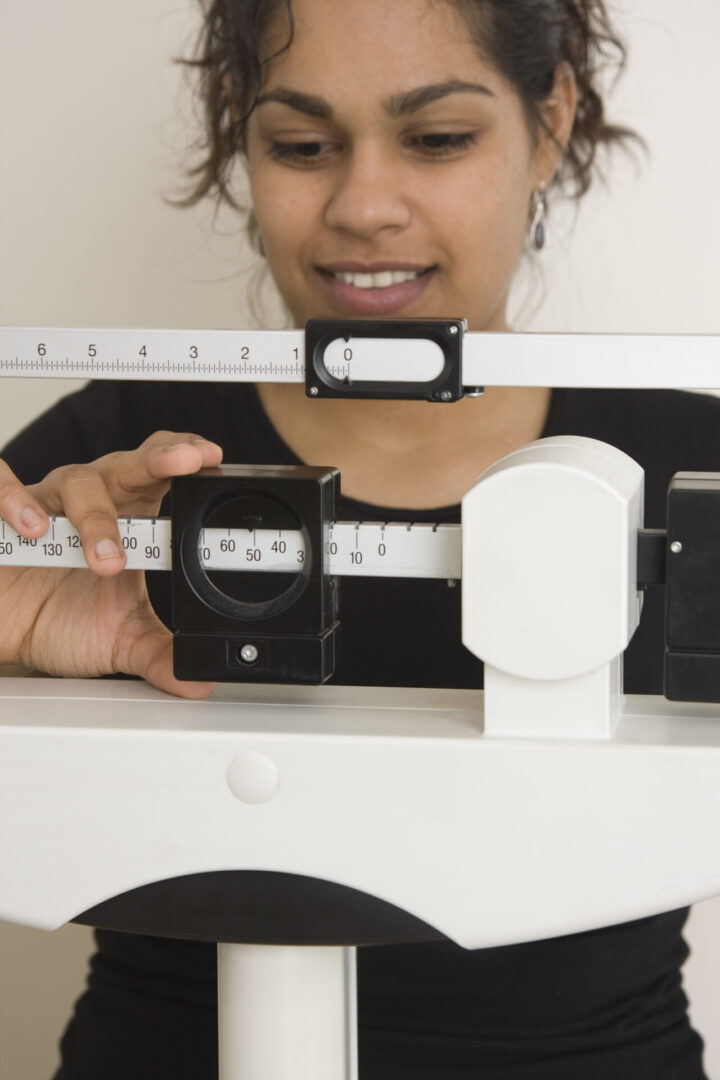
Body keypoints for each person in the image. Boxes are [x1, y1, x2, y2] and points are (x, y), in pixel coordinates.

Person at [0, 0, 716, 1076]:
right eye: (301, 146)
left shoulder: (696, 467)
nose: (364, 206)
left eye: (437, 139)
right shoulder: (108, 473)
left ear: (551, 119)